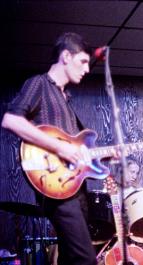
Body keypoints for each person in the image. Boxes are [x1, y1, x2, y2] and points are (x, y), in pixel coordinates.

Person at [1, 32, 96, 265]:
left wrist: (100, 155)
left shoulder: (65, 99)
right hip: (55, 186)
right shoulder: (39, 84)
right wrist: (60, 149)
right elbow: (10, 120)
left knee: (69, 257)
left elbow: (73, 147)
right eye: (83, 61)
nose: (87, 69)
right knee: (86, 259)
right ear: (66, 56)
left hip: (75, 186)